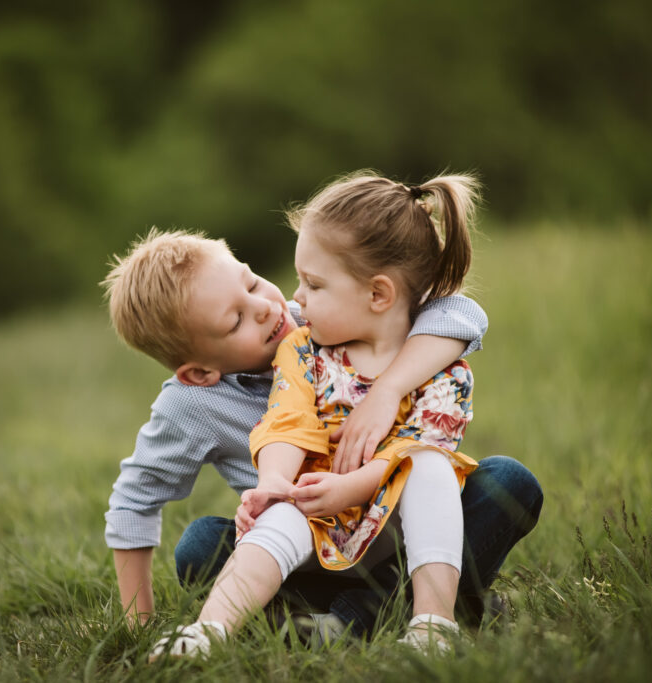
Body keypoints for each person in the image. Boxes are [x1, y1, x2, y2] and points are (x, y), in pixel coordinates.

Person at [148, 171, 527, 659]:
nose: (295, 298)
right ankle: (209, 632)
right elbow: (288, 418)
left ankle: (431, 622)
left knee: (445, 470)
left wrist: (355, 484)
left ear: (377, 296)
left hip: (399, 529)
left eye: (313, 284)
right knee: (230, 534)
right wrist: (275, 484)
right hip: (317, 523)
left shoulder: (439, 365)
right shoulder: (303, 350)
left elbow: (423, 443)